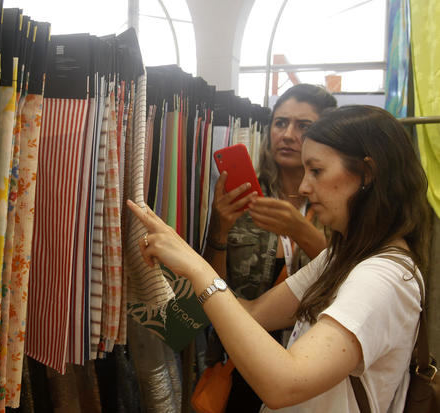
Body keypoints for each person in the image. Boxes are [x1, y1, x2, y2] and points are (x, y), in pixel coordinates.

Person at [127, 105, 431, 412]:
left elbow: (284, 384)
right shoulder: (343, 256)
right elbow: (253, 313)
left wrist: (196, 268)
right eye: (281, 123)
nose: (304, 186)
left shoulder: (381, 277)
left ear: (366, 173)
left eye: (317, 171)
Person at [204, 84, 337, 411]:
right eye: (281, 123)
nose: (288, 134)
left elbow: (349, 274)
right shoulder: (245, 193)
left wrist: (301, 230)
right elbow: (213, 285)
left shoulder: (337, 202)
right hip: (242, 358)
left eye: (304, 126)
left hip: (314, 361)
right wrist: (218, 233)